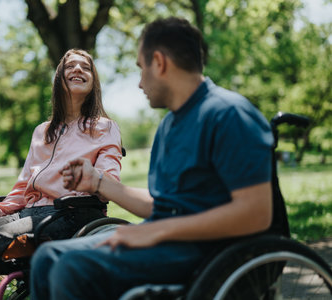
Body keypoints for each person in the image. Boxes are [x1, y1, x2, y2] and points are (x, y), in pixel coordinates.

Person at [30, 17, 274, 300]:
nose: (139, 83)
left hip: (207, 251)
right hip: (169, 240)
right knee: (48, 258)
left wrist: (157, 231)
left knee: (70, 268)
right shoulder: (170, 126)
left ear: (159, 62)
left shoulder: (228, 114)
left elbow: (256, 214)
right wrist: (97, 182)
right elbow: (165, 205)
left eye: (141, 69)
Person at [0, 49, 123, 300]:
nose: (78, 70)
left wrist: (92, 179)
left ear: (93, 83)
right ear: (59, 78)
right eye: (70, 66)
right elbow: (23, 188)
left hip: (72, 215)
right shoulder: (42, 132)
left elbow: (111, 183)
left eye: (85, 67)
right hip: (30, 214)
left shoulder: (104, 127)